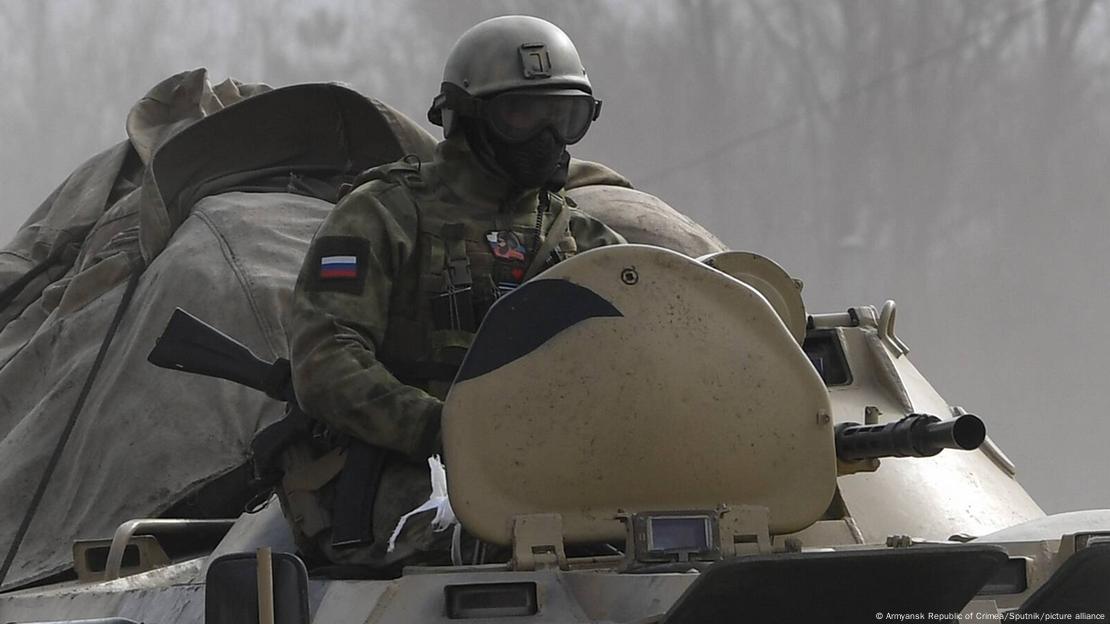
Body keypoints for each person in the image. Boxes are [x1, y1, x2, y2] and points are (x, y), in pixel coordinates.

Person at [285, 15, 625, 570]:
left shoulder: (585, 240)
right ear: (467, 117)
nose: (547, 137)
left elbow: (648, 354)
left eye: (565, 117)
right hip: (415, 468)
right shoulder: (384, 213)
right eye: (522, 115)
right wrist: (444, 429)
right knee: (469, 545)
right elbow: (325, 358)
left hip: (563, 470)